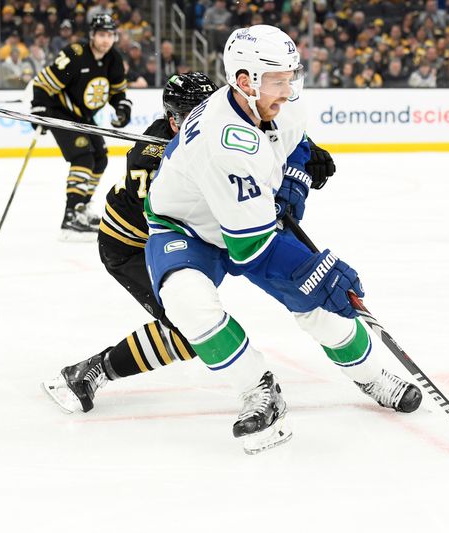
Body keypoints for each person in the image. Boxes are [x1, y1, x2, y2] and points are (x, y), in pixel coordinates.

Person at [135, 25, 423, 454]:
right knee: (188, 302)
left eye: (292, 76)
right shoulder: (223, 141)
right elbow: (251, 249)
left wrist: (293, 184)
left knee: (318, 313)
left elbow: (294, 145)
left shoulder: (280, 104)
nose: (288, 90)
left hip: (244, 214)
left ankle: (372, 375)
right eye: (278, 80)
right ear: (245, 80)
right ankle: (258, 389)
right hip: (187, 227)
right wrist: (317, 273)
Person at [42, 71, 338, 415]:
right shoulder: (148, 157)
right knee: (187, 331)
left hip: (184, 238)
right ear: (172, 119)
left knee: (191, 326)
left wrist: (304, 153)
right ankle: (92, 371)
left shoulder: (220, 124)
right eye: (190, 115)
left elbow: (266, 134)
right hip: (131, 244)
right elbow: (217, 203)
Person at [31, 13, 132, 241]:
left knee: (100, 158)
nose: (106, 40)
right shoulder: (75, 54)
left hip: (84, 117)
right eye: (101, 35)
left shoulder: (113, 59)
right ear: (92, 36)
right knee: (83, 158)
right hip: (61, 112)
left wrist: (122, 109)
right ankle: (70, 216)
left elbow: (118, 93)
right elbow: (43, 83)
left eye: (110, 35)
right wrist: (39, 109)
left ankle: (82, 208)